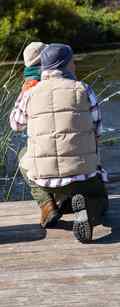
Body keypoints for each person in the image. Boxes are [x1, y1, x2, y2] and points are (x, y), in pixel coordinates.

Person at [10, 43, 108, 243]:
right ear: (65, 64)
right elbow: (98, 131)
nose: (74, 65)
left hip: (45, 179)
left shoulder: (29, 93)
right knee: (101, 201)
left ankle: (47, 204)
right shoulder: (84, 89)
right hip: (83, 175)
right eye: (72, 62)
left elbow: (15, 124)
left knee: (23, 155)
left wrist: (25, 93)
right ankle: (88, 212)